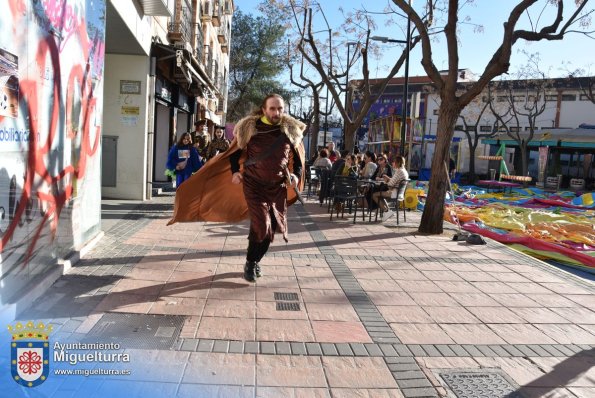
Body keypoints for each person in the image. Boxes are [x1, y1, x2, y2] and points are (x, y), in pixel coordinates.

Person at [229, 94, 304, 281]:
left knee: (270, 228)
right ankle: (251, 263)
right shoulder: (250, 128)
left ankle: (254, 261)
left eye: (280, 109)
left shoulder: (290, 130)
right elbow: (233, 154)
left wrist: (295, 175)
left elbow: (299, 161)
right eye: (272, 108)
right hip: (254, 185)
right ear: (263, 109)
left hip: (277, 187)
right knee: (262, 225)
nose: (276, 112)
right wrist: (234, 172)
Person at [372, 155, 409, 222]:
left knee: (374, 195)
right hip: (399, 193)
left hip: (394, 193)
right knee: (380, 195)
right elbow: (395, 181)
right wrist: (388, 178)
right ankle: (388, 212)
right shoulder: (404, 171)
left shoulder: (399, 171)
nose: (393, 163)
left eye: (394, 162)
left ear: (398, 163)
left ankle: (386, 211)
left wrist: (386, 181)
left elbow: (390, 185)